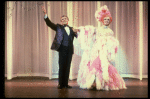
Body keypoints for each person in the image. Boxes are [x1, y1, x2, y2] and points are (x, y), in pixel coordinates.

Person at [77, 5, 127, 90]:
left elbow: (112, 42)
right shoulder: (98, 29)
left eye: (108, 20)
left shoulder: (110, 31)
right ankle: (94, 82)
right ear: (102, 20)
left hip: (105, 51)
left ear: (109, 21)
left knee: (103, 66)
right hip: (96, 50)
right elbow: (89, 30)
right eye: (105, 19)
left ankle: (102, 83)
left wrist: (109, 48)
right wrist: (81, 29)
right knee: (95, 65)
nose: (106, 21)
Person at [42, 6, 79, 89]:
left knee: (68, 66)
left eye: (65, 18)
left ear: (68, 20)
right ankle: (60, 84)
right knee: (62, 66)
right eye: (62, 19)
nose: (64, 20)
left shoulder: (72, 29)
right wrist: (45, 15)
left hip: (70, 50)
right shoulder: (58, 27)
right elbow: (49, 24)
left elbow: (78, 36)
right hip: (62, 49)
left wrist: (81, 31)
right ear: (61, 21)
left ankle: (65, 84)